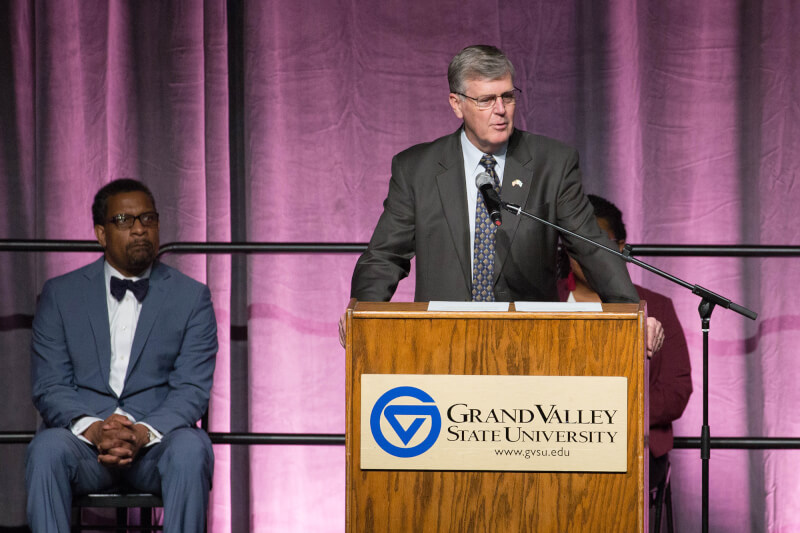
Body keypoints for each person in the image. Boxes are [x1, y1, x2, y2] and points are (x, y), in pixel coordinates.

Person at [342, 44, 664, 353]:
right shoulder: (417, 169)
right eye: (486, 100)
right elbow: (385, 256)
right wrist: (361, 314)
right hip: (441, 346)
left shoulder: (552, 163)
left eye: (507, 97)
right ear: (456, 104)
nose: (501, 110)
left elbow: (590, 246)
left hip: (529, 346)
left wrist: (632, 313)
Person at [26, 179, 217, 533]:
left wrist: (141, 433)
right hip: (85, 446)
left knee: (192, 449)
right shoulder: (60, 294)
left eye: (148, 218)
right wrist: (96, 430)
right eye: (124, 220)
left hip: (157, 445)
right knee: (46, 450)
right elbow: (50, 385)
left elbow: (192, 388)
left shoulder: (192, 297)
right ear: (101, 233)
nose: (140, 229)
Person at [559, 194, 693, 489]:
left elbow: (676, 391)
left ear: (620, 247)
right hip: (554, 441)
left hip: (634, 446)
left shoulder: (657, 306)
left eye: (598, 242)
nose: (588, 253)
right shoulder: (542, 301)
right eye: (578, 242)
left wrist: (608, 415)